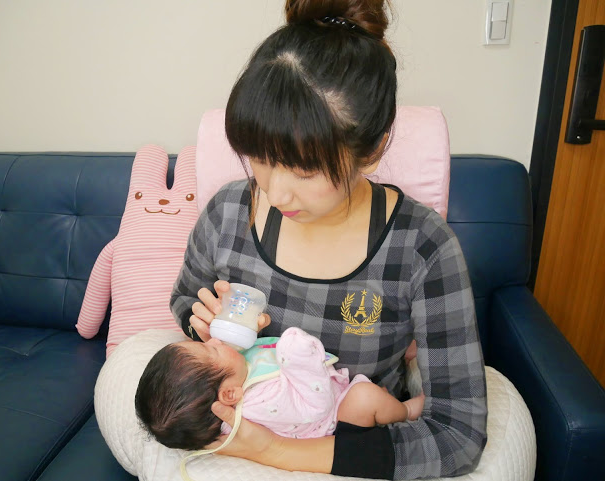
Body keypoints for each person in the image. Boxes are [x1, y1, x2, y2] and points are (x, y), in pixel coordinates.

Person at [169, 0, 488, 478]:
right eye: (260, 158)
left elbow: (457, 434)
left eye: (304, 170)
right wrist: (204, 327)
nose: (275, 192)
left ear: (372, 149)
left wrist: (275, 452)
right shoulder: (229, 211)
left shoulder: (421, 246)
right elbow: (183, 299)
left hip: (350, 450)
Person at [135, 327, 426, 451]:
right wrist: (295, 352)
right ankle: (407, 410)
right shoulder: (260, 402)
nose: (214, 340)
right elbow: (315, 406)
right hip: (332, 420)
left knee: (369, 391)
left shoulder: (233, 378)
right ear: (229, 395)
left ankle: (401, 357)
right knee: (366, 398)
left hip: (332, 391)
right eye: (210, 350)